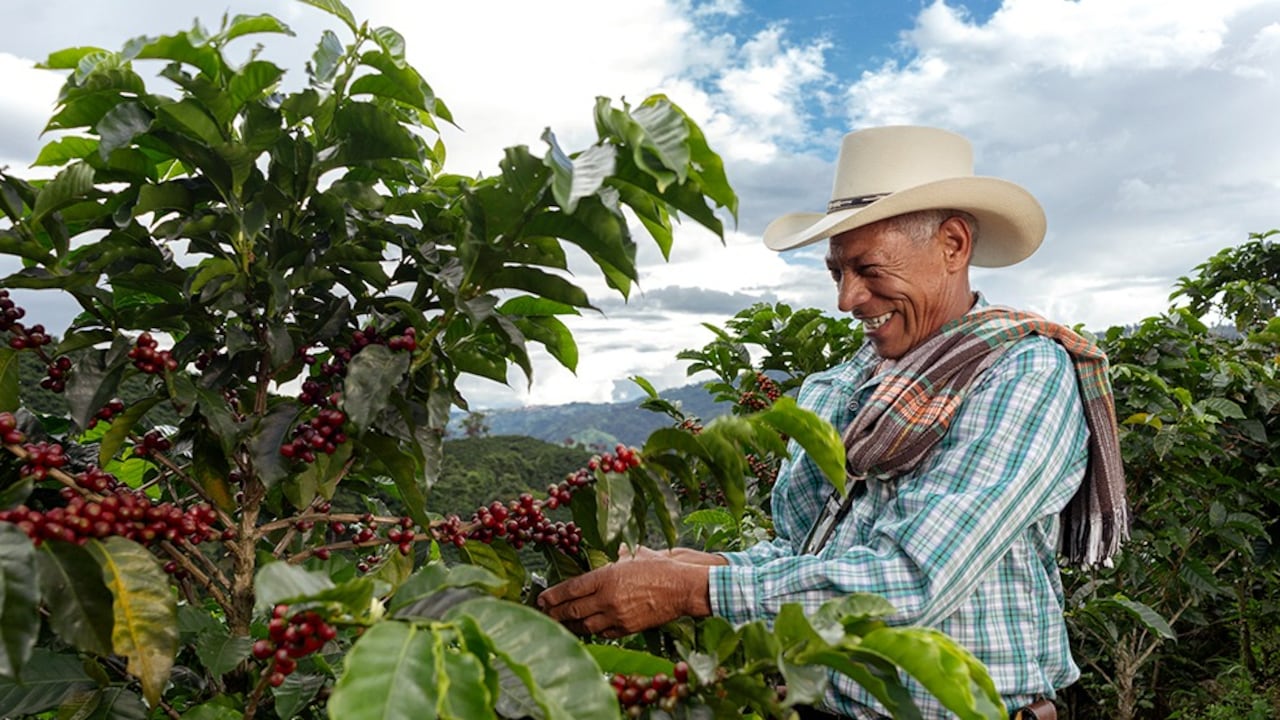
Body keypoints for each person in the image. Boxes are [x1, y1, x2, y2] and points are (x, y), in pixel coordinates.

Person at [538, 126, 1128, 719]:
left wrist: (691, 591)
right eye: (836, 272)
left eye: (869, 269)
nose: (847, 299)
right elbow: (812, 554)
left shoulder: (1022, 372)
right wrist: (702, 566)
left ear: (952, 245)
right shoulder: (841, 385)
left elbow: (911, 580)